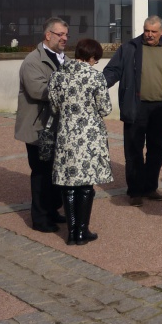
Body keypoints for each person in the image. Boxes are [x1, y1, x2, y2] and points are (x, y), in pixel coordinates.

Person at [104, 16, 162, 206]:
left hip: (161, 109)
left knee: (157, 151)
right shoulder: (129, 48)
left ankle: (150, 187)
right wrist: (97, 84)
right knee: (133, 151)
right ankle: (135, 191)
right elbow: (113, 71)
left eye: (153, 31)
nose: (149, 35)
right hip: (136, 107)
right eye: (146, 30)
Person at [48, 38, 113, 245]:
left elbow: (54, 106)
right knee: (86, 185)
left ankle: (71, 232)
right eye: (96, 60)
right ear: (92, 57)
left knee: (68, 184)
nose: (96, 63)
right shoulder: (95, 76)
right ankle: (82, 231)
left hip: (66, 134)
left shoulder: (58, 75)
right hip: (89, 137)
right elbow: (105, 108)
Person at [14, 17, 69, 233]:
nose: (65, 38)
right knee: (41, 173)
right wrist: (68, 90)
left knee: (56, 172)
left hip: (58, 127)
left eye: (66, 34)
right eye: (60, 34)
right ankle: (39, 218)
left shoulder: (64, 58)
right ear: (48, 35)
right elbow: (38, 90)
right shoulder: (32, 61)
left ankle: (53, 210)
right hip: (38, 129)